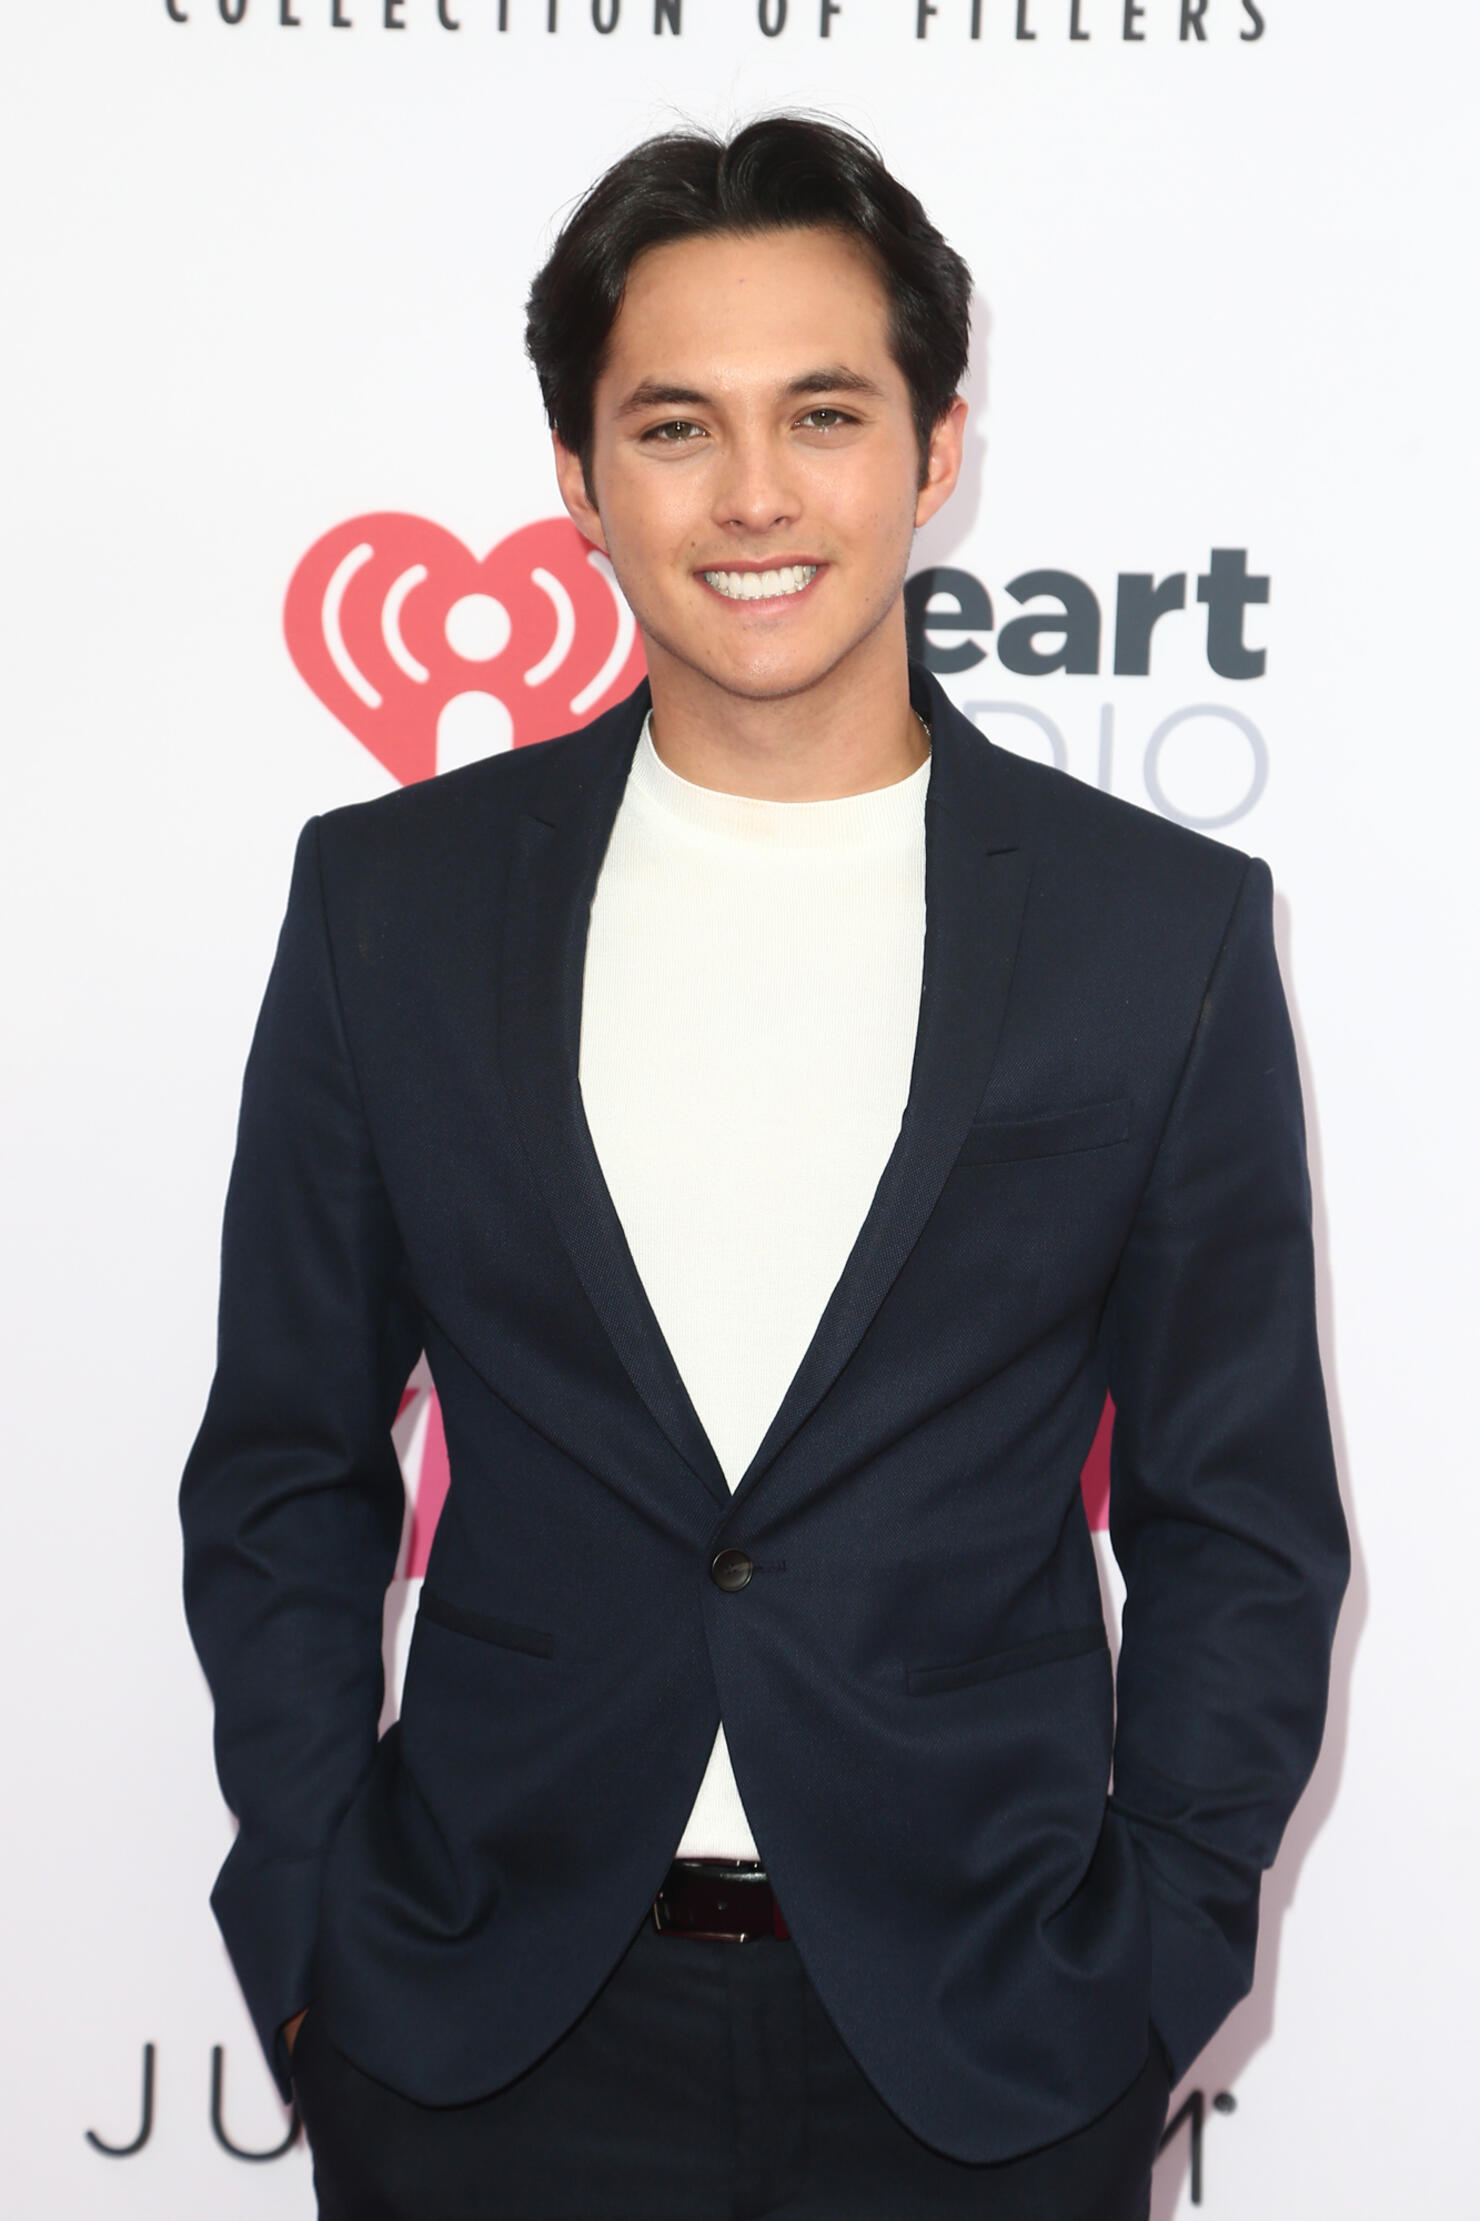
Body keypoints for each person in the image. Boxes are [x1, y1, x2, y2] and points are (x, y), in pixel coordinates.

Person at [180, 116, 1349, 2221]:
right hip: (484, 2038)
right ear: (576, 474)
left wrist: (1153, 1963)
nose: (752, 496)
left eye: (822, 414)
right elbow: (282, 1461)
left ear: (935, 446)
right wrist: (313, 1925)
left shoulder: (1152, 930)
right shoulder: (389, 904)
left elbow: (1240, 1517)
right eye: (673, 426)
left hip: (985, 2053)